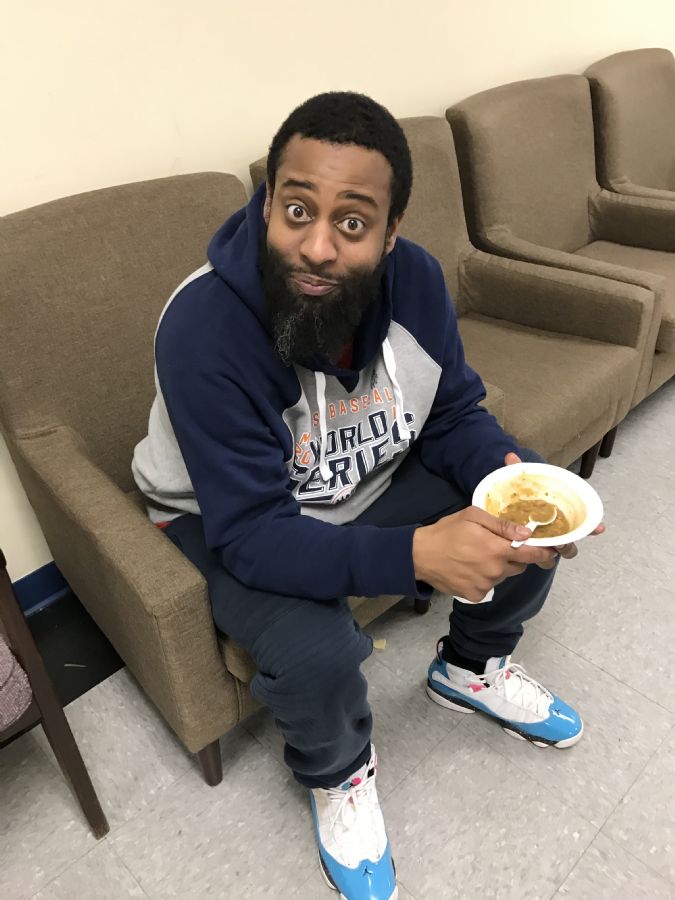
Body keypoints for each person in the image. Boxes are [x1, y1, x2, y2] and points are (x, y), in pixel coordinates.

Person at [132, 92, 602, 900]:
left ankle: (471, 669)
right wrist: (414, 554)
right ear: (267, 203)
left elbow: (451, 414)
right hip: (222, 516)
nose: (316, 246)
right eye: (296, 210)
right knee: (316, 654)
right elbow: (252, 533)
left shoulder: (414, 281)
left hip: (359, 476)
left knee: (517, 517)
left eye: (351, 222)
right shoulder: (203, 327)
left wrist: (514, 477)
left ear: (389, 232)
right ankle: (338, 773)